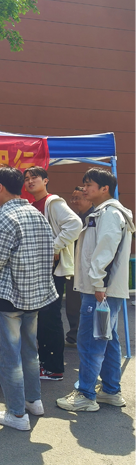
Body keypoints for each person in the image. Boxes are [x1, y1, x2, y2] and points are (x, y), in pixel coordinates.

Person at [0, 166, 57, 431]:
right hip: (35, 295)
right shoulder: (36, 212)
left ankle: (16, 413)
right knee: (29, 352)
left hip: (9, 297)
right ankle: (34, 401)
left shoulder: (3, 215)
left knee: (8, 357)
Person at [57, 168, 135, 412]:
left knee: (91, 342)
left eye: (89, 184)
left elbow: (105, 251)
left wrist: (99, 284)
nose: (84, 189)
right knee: (106, 340)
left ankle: (85, 394)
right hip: (103, 290)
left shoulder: (109, 214)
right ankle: (110, 390)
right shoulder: (107, 212)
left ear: (104, 188)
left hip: (99, 291)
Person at [23, 166, 82, 381]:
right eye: (27, 179)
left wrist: (53, 248)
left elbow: (75, 224)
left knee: (50, 317)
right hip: (39, 269)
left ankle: (54, 368)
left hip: (53, 269)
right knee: (41, 318)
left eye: (35, 177)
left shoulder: (52, 202)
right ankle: (45, 364)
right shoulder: (32, 205)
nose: (30, 181)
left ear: (46, 180)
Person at [64, 186, 94, 346]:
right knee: (72, 303)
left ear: (89, 199)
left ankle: (82, 336)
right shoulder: (75, 218)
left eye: (78, 198)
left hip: (89, 268)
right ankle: (74, 334)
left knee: (85, 303)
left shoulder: (94, 218)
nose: (74, 201)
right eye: (73, 198)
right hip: (74, 266)